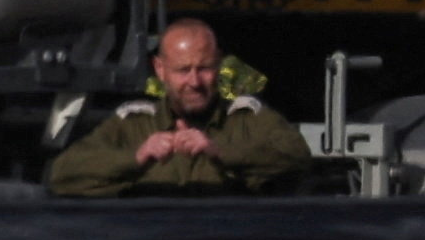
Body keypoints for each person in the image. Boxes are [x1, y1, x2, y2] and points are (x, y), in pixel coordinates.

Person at [50, 19, 313, 197]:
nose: (195, 82)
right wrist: (137, 158)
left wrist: (220, 152)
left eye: (205, 68)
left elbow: (296, 158)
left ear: (219, 66)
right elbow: (60, 175)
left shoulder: (245, 118)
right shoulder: (133, 124)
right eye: (183, 70)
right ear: (160, 70)